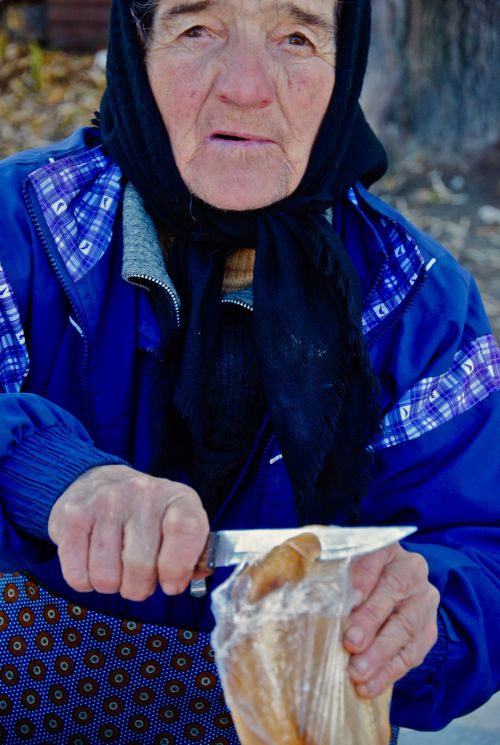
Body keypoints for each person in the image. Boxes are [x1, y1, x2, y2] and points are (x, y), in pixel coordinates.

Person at [0, 0, 498, 742]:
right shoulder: (20, 231)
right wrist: (46, 470)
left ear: (346, 61)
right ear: (138, 48)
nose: (245, 86)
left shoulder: (420, 302)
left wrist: (428, 610)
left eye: (297, 36)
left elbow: (482, 555)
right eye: (197, 28)